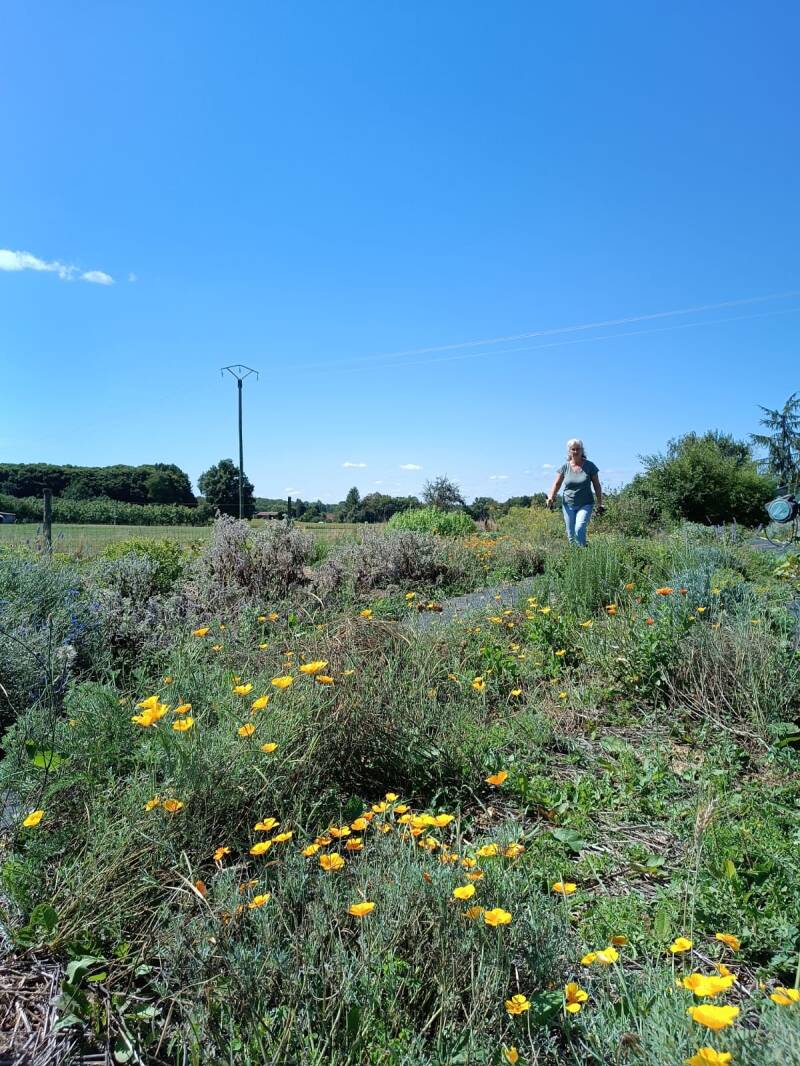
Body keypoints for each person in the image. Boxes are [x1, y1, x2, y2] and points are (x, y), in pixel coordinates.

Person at [546, 438, 603, 546]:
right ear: (569, 451)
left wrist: (600, 503)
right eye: (573, 449)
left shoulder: (590, 466)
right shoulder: (565, 467)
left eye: (578, 449)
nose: (576, 451)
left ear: (582, 450)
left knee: (579, 528)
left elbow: (597, 485)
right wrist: (551, 497)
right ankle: (575, 554)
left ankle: (582, 551)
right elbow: (557, 484)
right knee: (571, 535)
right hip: (568, 504)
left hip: (585, 504)